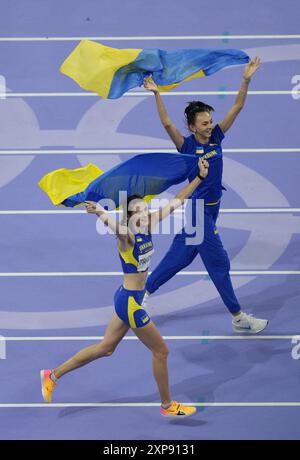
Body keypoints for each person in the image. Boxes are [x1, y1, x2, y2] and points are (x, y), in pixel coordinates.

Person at [40, 157, 209, 417]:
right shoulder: (127, 238)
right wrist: (99, 212)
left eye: (146, 209)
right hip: (130, 302)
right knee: (161, 351)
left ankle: (53, 374)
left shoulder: (149, 224)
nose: (145, 213)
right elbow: (116, 228)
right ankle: (167, 406)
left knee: (106, 348)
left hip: (126, 298)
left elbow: (177, 201)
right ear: (130, 215)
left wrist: (198, 178)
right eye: (140, 211)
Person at [143, 57, 268, 334]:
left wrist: (246, 79)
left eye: (210, 121)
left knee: (181, 256)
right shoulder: (186, 146)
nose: (209, 126)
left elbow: (238, 106)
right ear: (192, 127)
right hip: (199, 213)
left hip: (212, 209)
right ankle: (238, 317)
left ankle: (142, 293)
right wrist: (156, 93)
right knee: (219, 264)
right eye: (204, 123)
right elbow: (166, 123)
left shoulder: (217, 138)